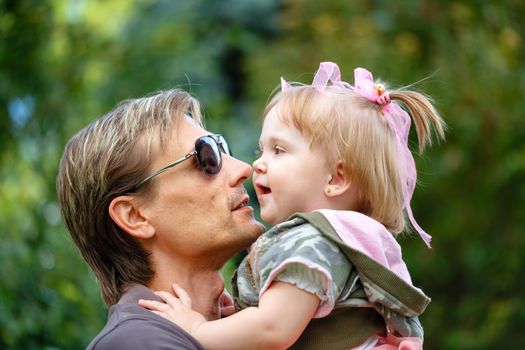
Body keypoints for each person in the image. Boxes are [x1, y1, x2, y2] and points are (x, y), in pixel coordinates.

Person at [139, 62, 446, 349]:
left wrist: (196, 330)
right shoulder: (342, 243)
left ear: (337, 178)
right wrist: (243, 313)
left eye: (279, 150)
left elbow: (272, 331)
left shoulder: (310, 245)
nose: (257, 164)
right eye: (262, 149)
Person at [56, 89, 265, 349]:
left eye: (222, 147)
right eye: (207, 156)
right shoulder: (136, 342)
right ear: (135, 216)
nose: (244, 169)